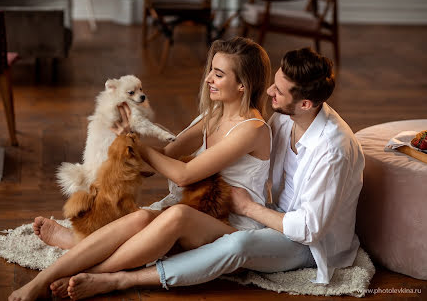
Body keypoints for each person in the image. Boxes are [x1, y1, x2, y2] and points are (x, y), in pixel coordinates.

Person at [52, 47, 365, 299]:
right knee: (149, 219)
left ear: (306, 103)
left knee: (234, 244)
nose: (269, 90)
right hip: (273, 216)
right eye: (274, 82)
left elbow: (308, 229)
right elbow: (173, 157)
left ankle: (118, 279)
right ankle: (80, 253)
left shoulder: (332, 150)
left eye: (279, 91)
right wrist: (125, 141)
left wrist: (248, 207)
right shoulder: (284, 118)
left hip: (311, 244)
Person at [8, 36, 273, 301]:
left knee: (176, 215)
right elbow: (168, 154)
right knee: (141, 218)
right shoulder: (213, 115)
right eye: (210, 72)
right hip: (196, 210)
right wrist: (124, 137)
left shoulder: (251, 129)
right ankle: (50, 273)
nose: (208, 80)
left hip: (233, 225)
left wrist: (133, 141)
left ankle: (87, 270)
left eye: (218, 74)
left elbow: (183, 175)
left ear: (242, 85)